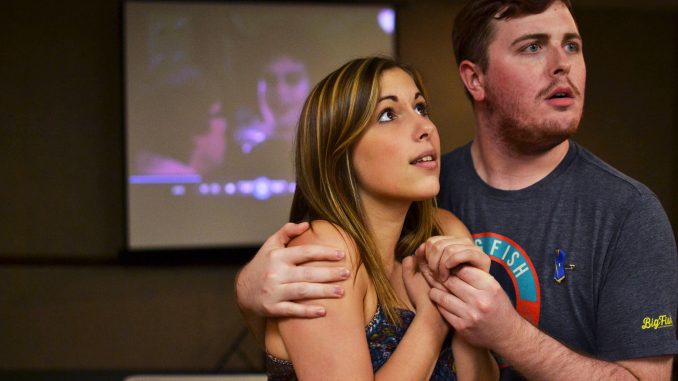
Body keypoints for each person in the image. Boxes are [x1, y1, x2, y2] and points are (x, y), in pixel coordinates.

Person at [236, 0, 678, 380]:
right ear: (474, 79)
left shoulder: (628, 212)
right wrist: (247, 292)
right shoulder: (396, 214)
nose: (561, 63)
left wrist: (499, 330)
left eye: (572, 45)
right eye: (532, 46)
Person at [262, 56, 498, 380]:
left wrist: (468, 304)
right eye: (388, 115)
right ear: (340, 149)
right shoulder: (323, 250)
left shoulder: (445, 230)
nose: (425, 128)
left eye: (420, 108)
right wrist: (433, 317)